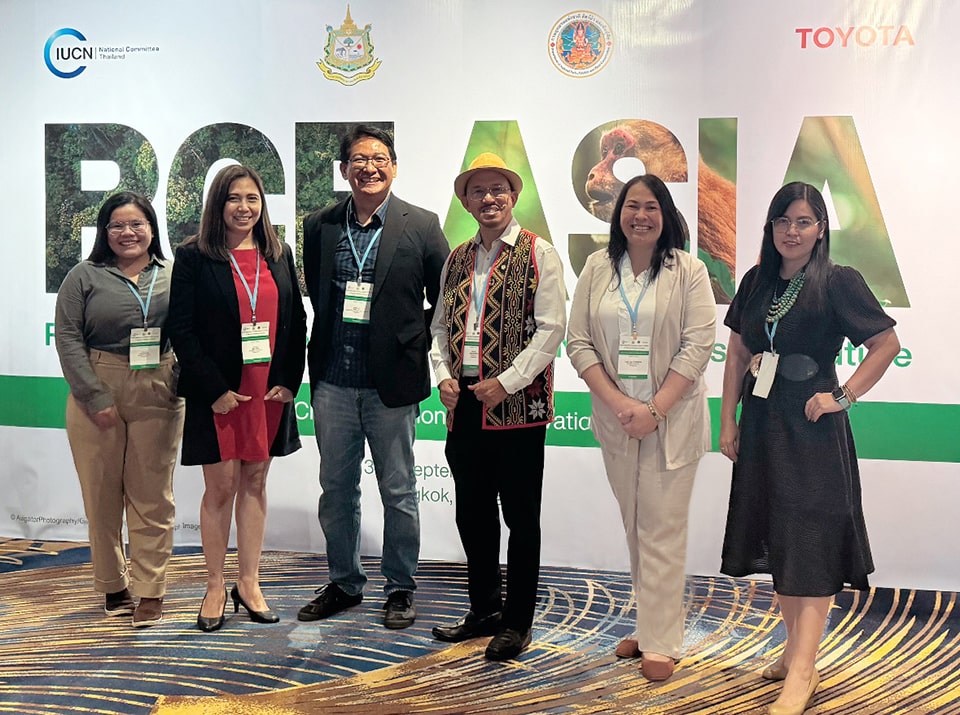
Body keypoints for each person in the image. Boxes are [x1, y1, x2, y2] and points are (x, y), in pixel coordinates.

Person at [718, 182, 900, 715]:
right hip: (761, 422)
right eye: (782, 221)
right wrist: (726, 419)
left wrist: (843, 395)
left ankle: (802, 671)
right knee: (779, 533)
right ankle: (797, 653)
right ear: (770, 227)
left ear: (820, 228)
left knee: (812, 540)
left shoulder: (839, 281)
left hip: (812, 427)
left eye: (802, 221)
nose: (791, 232)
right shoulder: (755, 280)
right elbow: (736, 352)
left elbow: (885, 343)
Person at [298, 125, 449, 630]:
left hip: (392, 387)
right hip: (333, 383)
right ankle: (344, 582)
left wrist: (413, 339)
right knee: (336, 489)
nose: (369, 167)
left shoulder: (421, 225)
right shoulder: (319, 225)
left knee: (399, 491)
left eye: (379, 158)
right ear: (344, 169)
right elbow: (318, 296)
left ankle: (400, 587)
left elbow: (445, 298)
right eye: (359, 159)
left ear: (394, 166)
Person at [566, 174, 716, 680]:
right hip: (617, 421)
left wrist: (654, 409)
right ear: (619, 213)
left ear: (666, 214)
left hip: (670, 422)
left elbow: (698, 345)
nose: (641, 216)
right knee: (636, 527)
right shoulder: (596, 267)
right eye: (632, 206)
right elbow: (578, 342)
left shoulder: (688, 270)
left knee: (663, 530)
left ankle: (662, 641)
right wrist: (617, 405)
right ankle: (650, 623)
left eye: (652, 207)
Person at [429, 153, 567, 661]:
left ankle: (518, 621)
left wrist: (507, 383)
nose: (489, 199)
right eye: (478, 191)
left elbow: (552, 329)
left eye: (499, 190)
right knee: (472, 515)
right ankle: (483, 609)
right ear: (465, 201)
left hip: (519, 410)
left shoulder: (539, 254)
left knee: (521, 519)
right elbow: (441, 328)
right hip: (465, 406)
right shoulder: (457, 257)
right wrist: (443, 376)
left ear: (513, 196)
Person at [167, 164, 306, 632]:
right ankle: (212, 585)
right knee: (221, 487)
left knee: (256, 482)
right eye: (234, 198)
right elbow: (182, 331)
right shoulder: (193, 256)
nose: (244, 207)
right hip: (220, 394)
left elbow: (297, 322)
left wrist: (289, 380)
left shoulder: (278, 252)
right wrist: (214, 390)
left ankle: (249, 582)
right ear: (217, 205)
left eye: (252, 198)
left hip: (268, 389)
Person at [55, 191, 184, 627]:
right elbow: (68, 338)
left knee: (153, 496)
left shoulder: (173, 273)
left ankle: (151, 590)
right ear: (104, 232)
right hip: (98, 383)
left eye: (136, 224)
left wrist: (183, 378)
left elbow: (193, 328)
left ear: (151, 229)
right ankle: (113, 584)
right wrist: (94, 396)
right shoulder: (83, 276)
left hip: (160, 386)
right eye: (117, 226)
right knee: (101, 495)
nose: (127, 233)